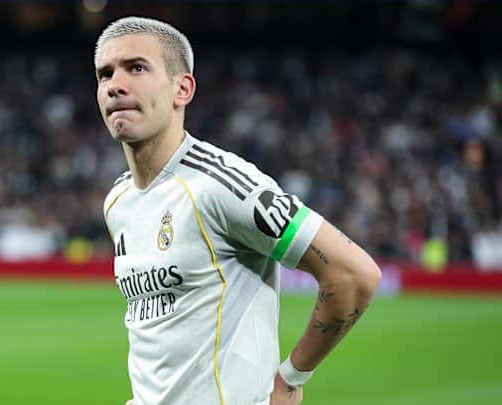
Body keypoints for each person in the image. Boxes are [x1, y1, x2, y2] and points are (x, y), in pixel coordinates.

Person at [96, 16, 381, 405]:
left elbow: (354, 275)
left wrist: (292, 377)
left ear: (182, 89)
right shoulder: (118, 201)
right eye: (105, 74)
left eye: (137, 68)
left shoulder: (222, 185)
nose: (115, 85)